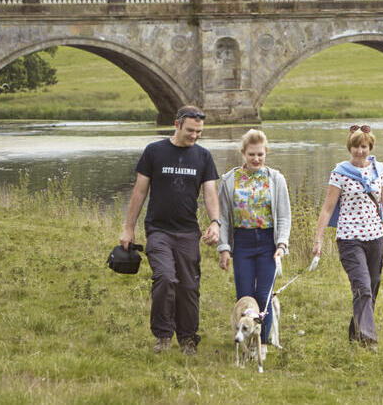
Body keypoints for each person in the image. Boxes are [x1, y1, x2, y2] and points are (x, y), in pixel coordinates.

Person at [119, 105, 221, 356]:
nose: (195, 136)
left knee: (188, 286)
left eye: (199, 132)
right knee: (165, 277)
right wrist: (128, 228)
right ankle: (163, 335)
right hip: (158, 230)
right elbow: (139, 192)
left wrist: (215, 222)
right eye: (190, 130)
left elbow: (210, 193)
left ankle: (187, 339)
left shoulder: (204, 157)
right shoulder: (154, 152)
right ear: (177, 125)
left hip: (188, 232)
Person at [312, 125, 383, 347]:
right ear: (349, 147)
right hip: (349, 238)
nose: (359, 151)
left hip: (376, 237)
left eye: (363, 146)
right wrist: (318, 238)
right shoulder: (340, 173)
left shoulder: (379, 170)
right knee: (362, 286)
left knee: (372, 286)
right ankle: (368, 339)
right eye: (355, 146)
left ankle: (355, 331)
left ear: (369, 146)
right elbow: (327, 208)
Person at [216, 129, 291, 353]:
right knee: (246, 296)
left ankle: (263, 343)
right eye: (251, 154)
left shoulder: (276, 179)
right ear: (243, 154)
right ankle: (247, 339)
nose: (256, 159)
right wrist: (224, 248)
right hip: (243, 242)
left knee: (264, 295)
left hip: (267, 241)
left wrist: (281, 245)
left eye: (260, 154)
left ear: (266, 152)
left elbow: (284, 215)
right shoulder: (230, 181)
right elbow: (223, 218)